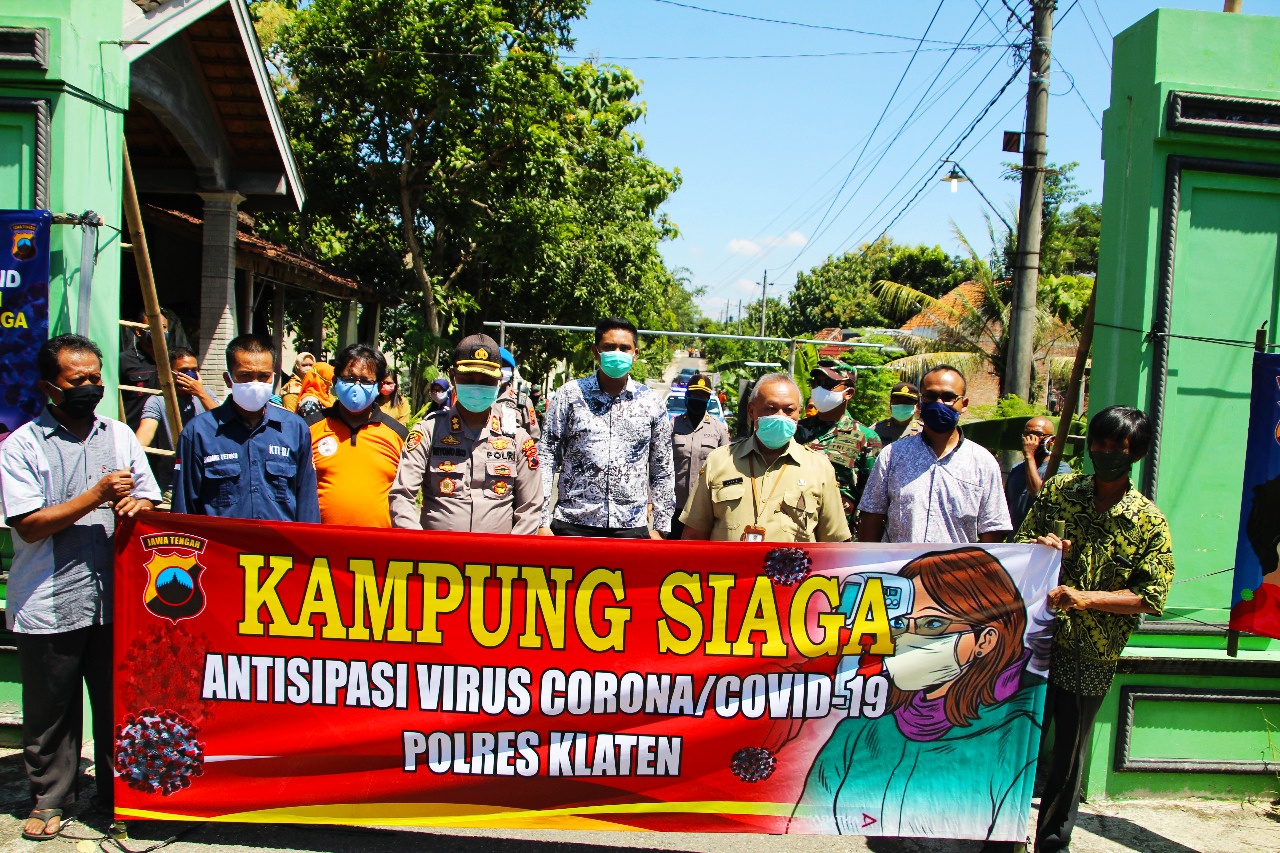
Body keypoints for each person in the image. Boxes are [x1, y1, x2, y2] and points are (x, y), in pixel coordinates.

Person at [0, 334, 159, 839]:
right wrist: (95, 495)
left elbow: (151, 498)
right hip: (48, 600)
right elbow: (27, 524)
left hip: (115, 601)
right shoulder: (23, 445)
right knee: (51, 710)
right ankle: (50, 797)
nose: (91, 386)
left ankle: (120, 798)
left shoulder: (120, 436)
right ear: (51, 386)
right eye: (78, 380)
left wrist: (141, 506)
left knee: (116, 706)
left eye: (96, 377)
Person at [791, 547, 1043, 841]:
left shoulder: (1012, 738)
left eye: (932, 624)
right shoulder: (857, 733)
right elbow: (810, 820)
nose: (908, 639)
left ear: (985, 640)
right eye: (898, 624)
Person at [1014, 406, 1174, 853]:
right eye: (1099, 444)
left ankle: (1052, 841)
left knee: (1067, 756)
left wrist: (1087, 598)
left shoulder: (1147, 521)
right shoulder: (1061, 491)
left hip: (1091, 652)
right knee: (1016, 739)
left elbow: (1152, 597)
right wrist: (1038, 546)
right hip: (1034, 642)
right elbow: (1014, 548)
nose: (1105, 453)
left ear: (1134, 453)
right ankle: (1000, 832)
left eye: (1116, 447)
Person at [538, 317, 674, 538]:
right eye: (609, 347)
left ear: (635, 354)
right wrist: (541, 520)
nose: (617, 353)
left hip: (629, 525)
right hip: (573, 522)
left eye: (624, 348)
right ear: (596, 352)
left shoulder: (651, 402)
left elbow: (662, 469)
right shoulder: (569, 395)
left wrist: (661, 528)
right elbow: (546, 457)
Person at [391, 334, 541, 533]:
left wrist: (511, 554)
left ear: (499, 380)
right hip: (437, 557)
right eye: (468, 378)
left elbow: (530, 508)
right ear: (453, 378)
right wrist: (419, 546)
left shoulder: (517, 438)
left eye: (486, 379)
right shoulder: (428, 432)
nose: (477, 386)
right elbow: (402, 496)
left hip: (497, 559)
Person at [681, 373, 850, 543]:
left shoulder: (819, 468)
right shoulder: (719, 461)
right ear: (751, 411)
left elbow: (834, 544)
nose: (780, 416)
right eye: (771, 408)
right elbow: (694, 536)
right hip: (728, 570)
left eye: (789, 410)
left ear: (799, 413)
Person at [172, 333, 320, 522]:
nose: (255, 384)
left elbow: (307, 504)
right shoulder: (198, 433)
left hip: (278, 550)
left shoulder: (295, 429)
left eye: (263, 376)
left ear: (273, 377)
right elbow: (183, 509)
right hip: (221, 549)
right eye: (245, 376)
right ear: (228, 379)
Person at [857, 365, 1011, 544]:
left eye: (948, 397)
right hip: (898, 570)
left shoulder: (983, 462)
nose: (939, 403)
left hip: (955, 569)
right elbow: (871, 519)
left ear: (964, 404)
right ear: (921, 402)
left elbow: (992, 531)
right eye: (930, 396)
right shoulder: (892, 455)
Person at [307, 343, 407, 527]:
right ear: (336, 381)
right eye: (350, 378)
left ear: (378, 385)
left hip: (378, 547)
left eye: (366, 381)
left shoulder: (398, 434)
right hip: (318, 546)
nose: (356, 386)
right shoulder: (309, 429)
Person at [796, 364, 881, 527]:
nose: (819, 389)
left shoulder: (866, 437)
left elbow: (873, 499)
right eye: (816, 383)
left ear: (848, 393)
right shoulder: (796, 431)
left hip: (840, 534)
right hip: (796, 530)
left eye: (828, 384)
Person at [135, 346, 219, 497]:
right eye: (184, 371)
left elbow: (223, 422)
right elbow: (144, 437)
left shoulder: (206, 396)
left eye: (194, 370)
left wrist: (200, 393)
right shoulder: (158, 401)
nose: (190, 375)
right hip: (173, 485)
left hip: (208, 482)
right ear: (170, 373)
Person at [670, 373, 730, 538]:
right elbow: (658, 464)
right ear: (687, 396)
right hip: (675, 505)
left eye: (703, 396)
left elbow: (727, 468)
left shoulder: (718, 429)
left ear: (709, 399)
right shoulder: (672, 426)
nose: (698, 399)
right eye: (694, 395)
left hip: (705, 508)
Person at [1005, 415, 1072, 533]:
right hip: (1015, 543)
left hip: (1039, 543)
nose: (1031, 439)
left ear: (1051, 440)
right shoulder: (1016, 469)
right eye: (1027, 434)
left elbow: (1038, 494)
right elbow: (1005, 508)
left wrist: (1029, 456)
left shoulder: (1060, 469)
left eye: (1037, 435)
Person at [118, 309, 170, 430]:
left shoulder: (172, 361)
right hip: (134, 432)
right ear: (138, 331)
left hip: (165, 435)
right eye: (154, 326)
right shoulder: (124, 361)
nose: (161, 331)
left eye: (164, 327)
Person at [496, 346, 540, 440]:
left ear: (511, 370)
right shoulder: (478, 398)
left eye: (503, 366)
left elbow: (534, 437)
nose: (499, 370)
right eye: (495, 365)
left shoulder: (521, 400)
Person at [873, 381, 925, 445]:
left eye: (907, 402)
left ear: (916, 406)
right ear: (890, 404)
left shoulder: (923, 431)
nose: (902, 405)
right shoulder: (876, 430)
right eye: (897, 401)